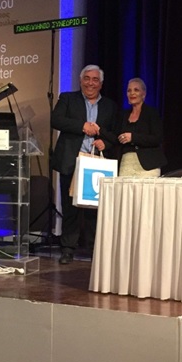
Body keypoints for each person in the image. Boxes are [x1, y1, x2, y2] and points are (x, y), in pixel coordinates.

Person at [51, 65, 117, 264]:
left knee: (93, 209)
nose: (90, 83)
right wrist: (82, 126)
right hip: (71, 160)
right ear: (80, 81)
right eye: (87, 78)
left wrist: (106, 142)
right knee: (70, 208)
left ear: (101, 84)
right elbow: (56, 120)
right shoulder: (67, 98)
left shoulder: (110, 106)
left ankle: (94, 250)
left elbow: (115, 133)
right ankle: (67, 249)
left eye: (95, 79)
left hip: (97, 164)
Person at [116, 78, 167, 176]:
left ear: (143, 94)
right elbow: (115, 136)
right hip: (126, 164)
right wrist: (99, 130)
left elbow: (157, 138)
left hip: (148, 164)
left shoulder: (152, 113)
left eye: (136, 90)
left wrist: (133, 137)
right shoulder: (123, 115)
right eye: (129, 90)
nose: (132, 93)